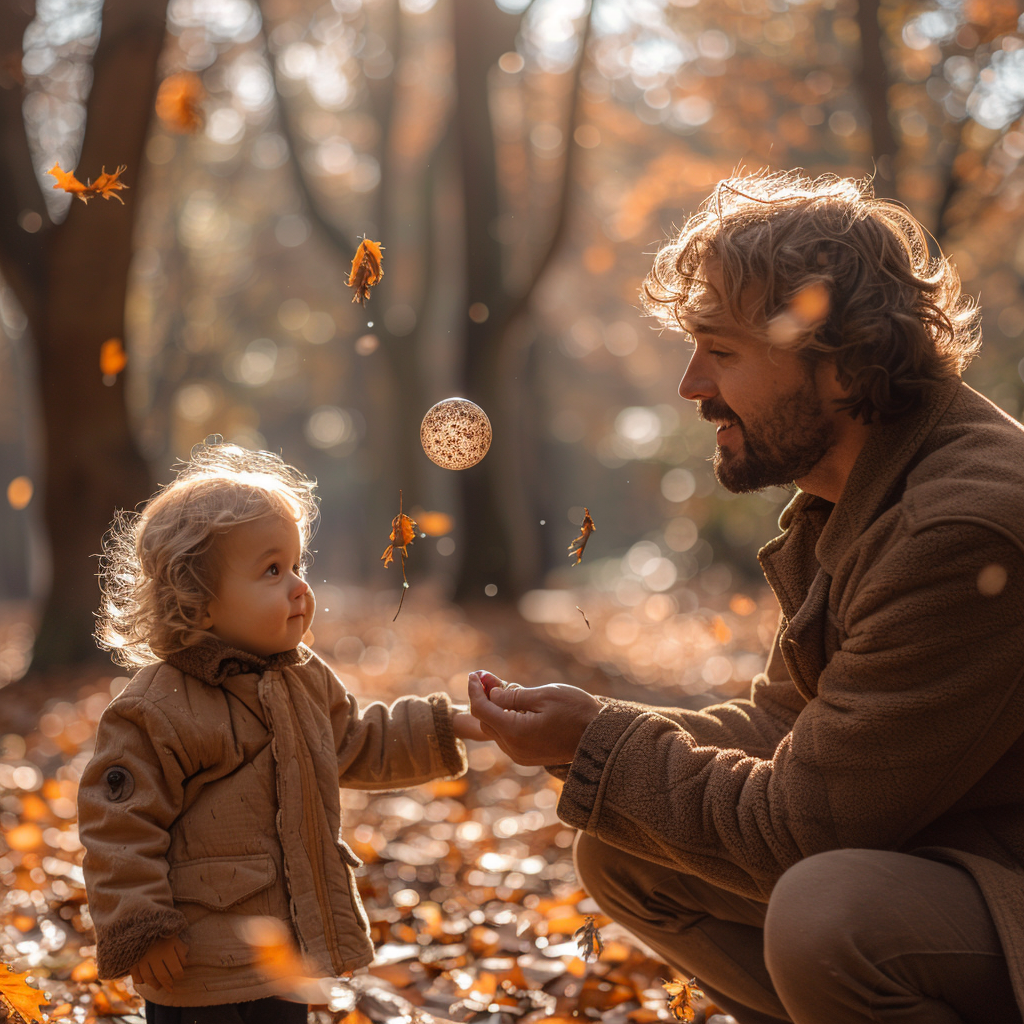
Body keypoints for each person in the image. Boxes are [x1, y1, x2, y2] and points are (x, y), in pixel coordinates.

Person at [468, 171, 1024, 1024]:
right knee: (627, 850)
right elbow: (788, 729)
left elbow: (802, 828)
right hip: (979, 846)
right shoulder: (858, 495)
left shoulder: (957, 531)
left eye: (722, 352)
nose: (692, 386)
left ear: (839, 365)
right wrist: (585, 734)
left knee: (827, 916)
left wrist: (600, 742)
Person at [78, 441, 484, 1024]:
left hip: (285, 953)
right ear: (200, 603)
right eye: (272, 570)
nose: (298, 586)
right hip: (197, 966)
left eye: (297, 566)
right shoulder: (158, 705)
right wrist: (141, 925)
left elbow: (357, 742)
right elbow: (118, 823)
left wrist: (449, 725)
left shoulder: (303, 679)